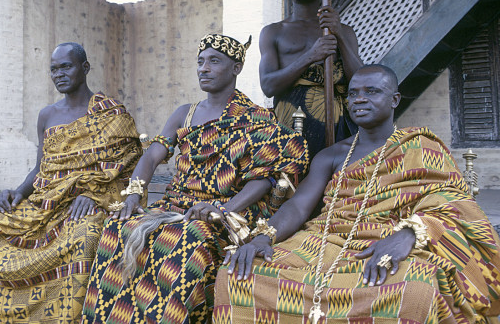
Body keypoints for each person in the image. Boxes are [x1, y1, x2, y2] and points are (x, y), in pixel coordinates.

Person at [214, 64, 500, 323]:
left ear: (394, 100)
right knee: (235, 275)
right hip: (324, 239)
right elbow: (299, 207)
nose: (359, 99)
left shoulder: (422, 146)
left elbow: (455, 204)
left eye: (372, 91)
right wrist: (263, 237)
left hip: (389, 238)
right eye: (353, 94)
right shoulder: (331, 155)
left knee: (416, 285)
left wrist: (409, 235)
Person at [81, 34, 309, 324]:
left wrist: (222, 209)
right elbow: (152, 156)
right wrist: (134, 194)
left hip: (227, 210)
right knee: (116, 226)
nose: (204, 68)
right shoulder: (184, 114)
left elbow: (263, 179)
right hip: (177, 205)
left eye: (215, 61)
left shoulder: (257, 117)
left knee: (187, 238)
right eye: (200, 61)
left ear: (236, 68)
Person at [0, 43, 143, 323]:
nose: (58, 74)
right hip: (44, 202)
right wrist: (19, 192)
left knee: (84, 239)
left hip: (86, 205)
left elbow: (130, 170)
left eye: (66, 66)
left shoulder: (111, 114)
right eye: (53, 69)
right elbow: (41, 169)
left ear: (84, 68)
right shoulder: (47, 115)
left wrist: (95, 196)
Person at [260, 0, 363, 161]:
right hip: (290, 125)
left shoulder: (344, 30)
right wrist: (311, 56)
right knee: (290, 186)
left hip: (336, 128)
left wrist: (340, 35)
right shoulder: (274, 32)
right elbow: (268, 86)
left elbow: (360, 81)